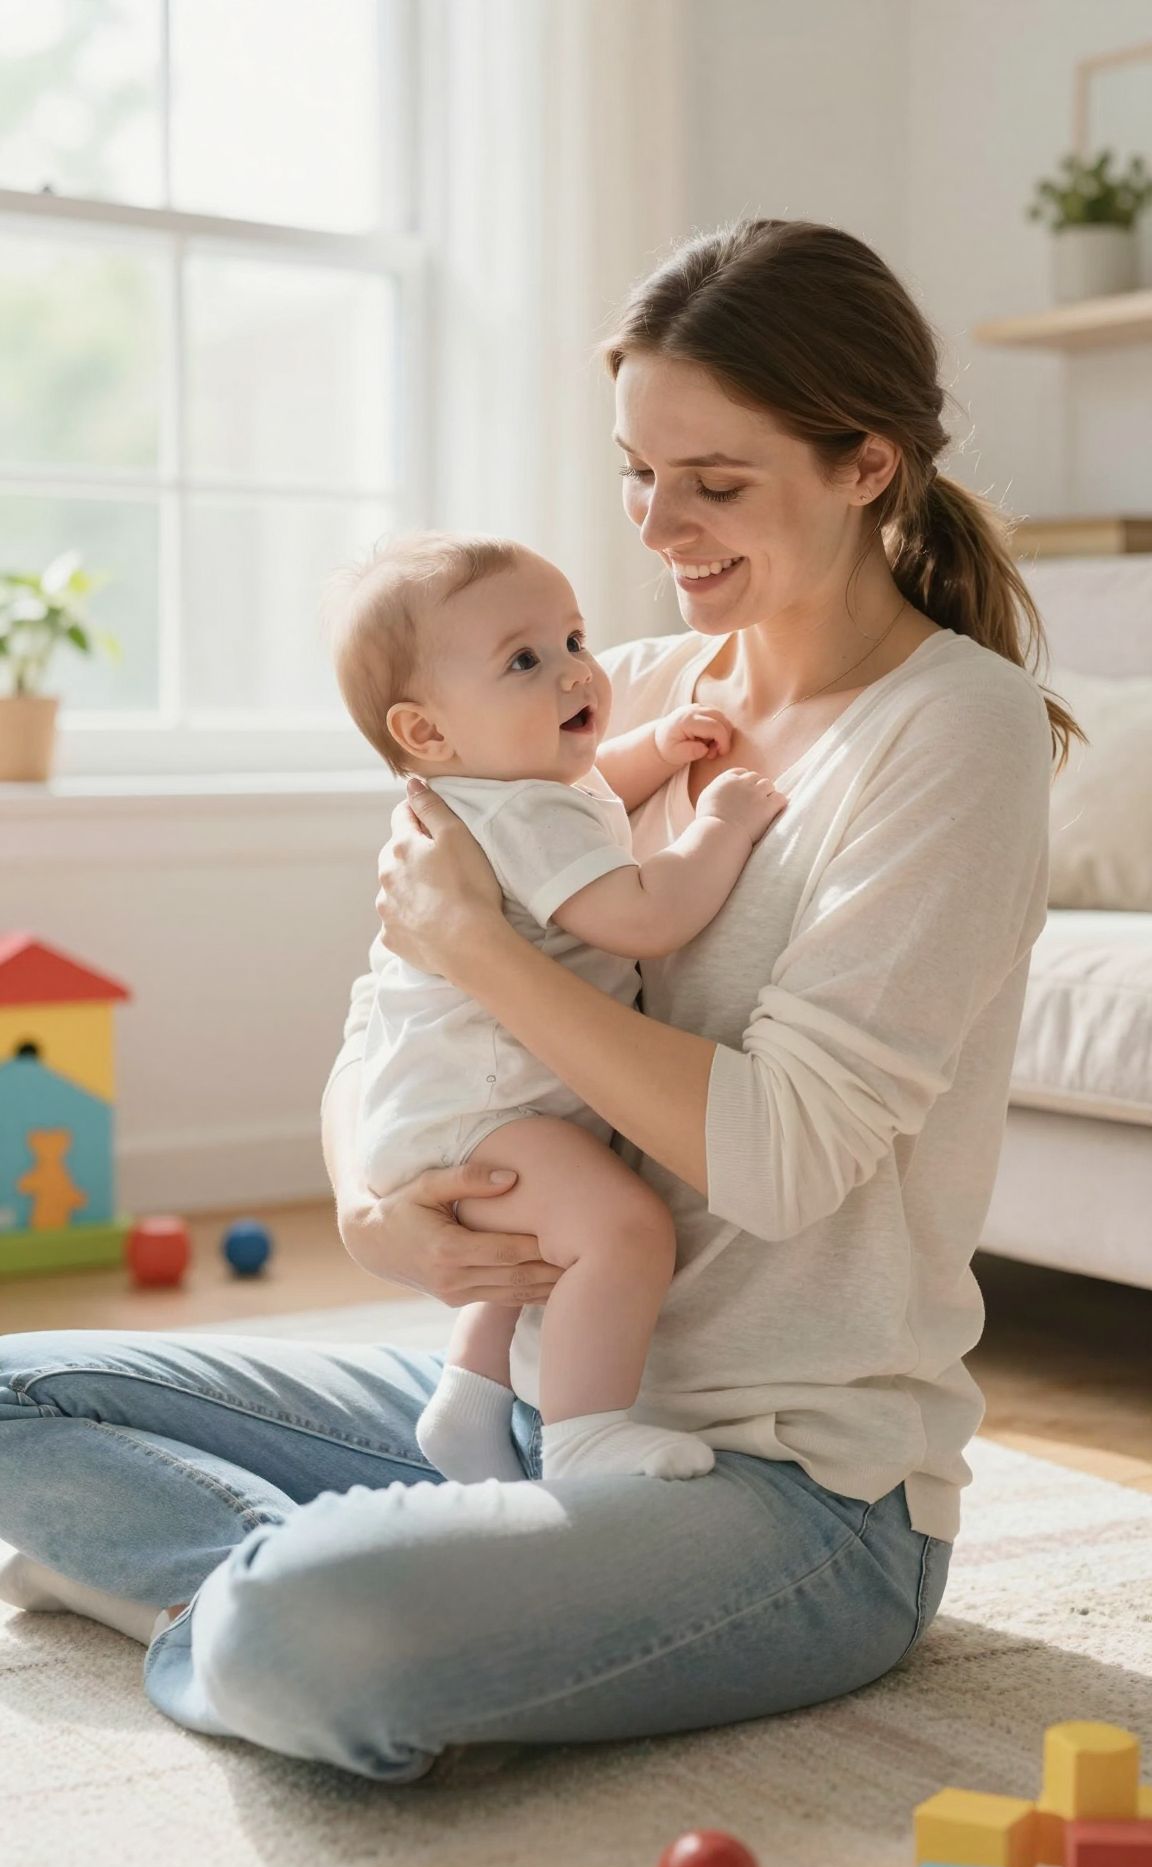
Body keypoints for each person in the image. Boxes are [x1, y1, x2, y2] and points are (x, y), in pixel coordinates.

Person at [0, 220, 1081, 1786]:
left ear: (866, 464)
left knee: (312, 1630)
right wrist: (378, 1215)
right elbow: (391, 1013)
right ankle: (356, 1594)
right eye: (640, 472)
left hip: (785, 1485)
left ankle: (273, 1604)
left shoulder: (955, 731)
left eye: (715, 483)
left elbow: (782, 1158)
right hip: (514, 1394)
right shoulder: (601, 688)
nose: (660, 526)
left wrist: (486, 949)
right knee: (16, 1399)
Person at [323, 528, 784, 1486]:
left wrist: (654, 748)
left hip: (452, 1106)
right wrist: (720, 826)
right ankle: (584, 1437)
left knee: (531, 1254)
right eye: (524, 661)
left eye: (574, 640)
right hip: (489, 1112)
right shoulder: (522, 812)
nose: (576, 671)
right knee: (622, 1231)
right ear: (426, 733)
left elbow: (592, 795)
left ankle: (470, 1401)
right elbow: (644, 913)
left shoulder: (504, 793)